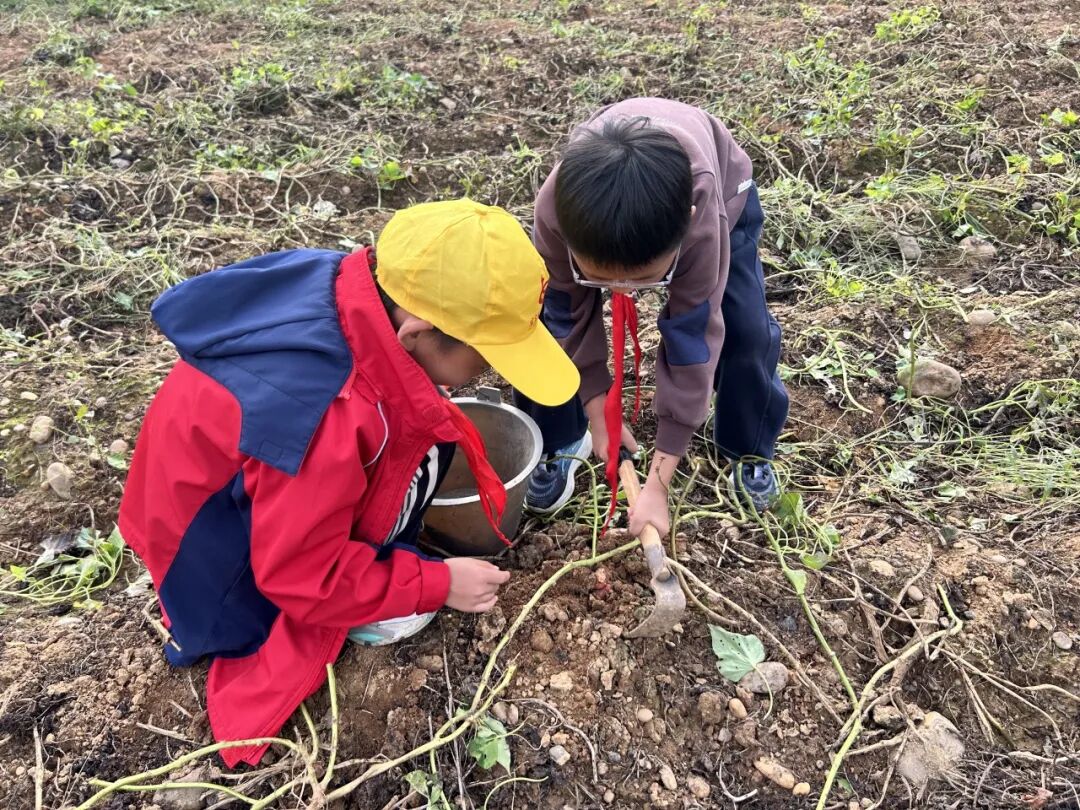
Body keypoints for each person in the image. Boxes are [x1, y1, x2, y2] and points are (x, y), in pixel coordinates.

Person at [118, 199, 579, 766]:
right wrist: (437, 582)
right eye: (485, 357)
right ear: (417, 332)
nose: (489, 375)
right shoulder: (324, 417)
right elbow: (301, 578)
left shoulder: (357, 289)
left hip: (218, 501)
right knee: (346, 590)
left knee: (424, 443)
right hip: (211, 566)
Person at [514, 98, 789, 538]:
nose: (622, 291)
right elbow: (570, 313)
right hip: (601, 217)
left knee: (746, 331)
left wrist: (658, 482)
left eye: (642, 279)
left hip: (725, 195)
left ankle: (748, 448)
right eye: (603, 278)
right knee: (547, 325)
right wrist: (597, 408)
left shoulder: (702, 219)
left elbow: (692, 336)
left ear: (687, 228)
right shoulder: (555, 213)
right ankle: (561, 439)